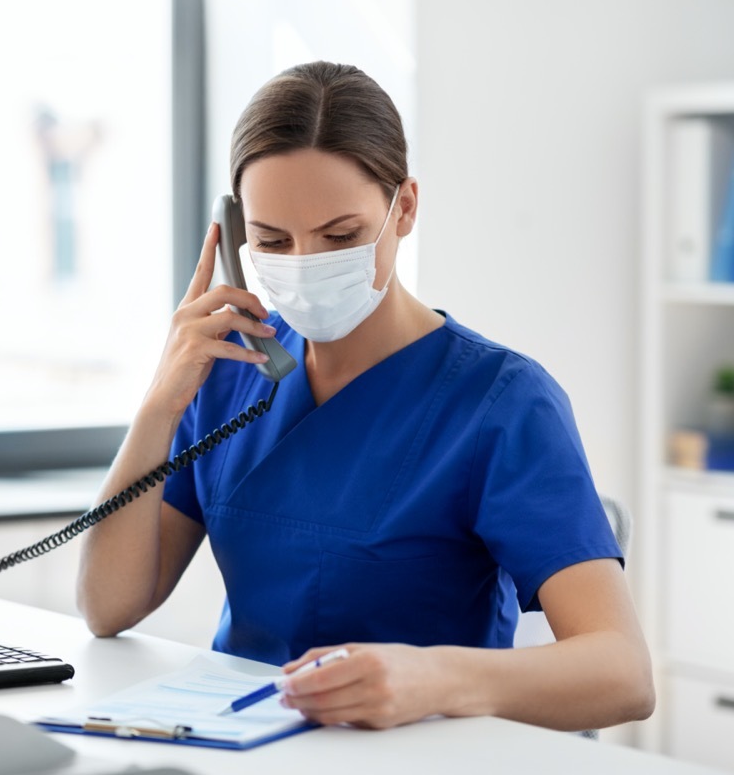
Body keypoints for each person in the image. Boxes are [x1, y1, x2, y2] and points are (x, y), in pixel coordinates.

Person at [76, 61, 654, 732]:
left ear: (403, 208)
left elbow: (623, 674)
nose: (306, 262)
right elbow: (106, 606)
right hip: (237, 742)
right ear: (235, 238)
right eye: (271, 241)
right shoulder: (232, 373)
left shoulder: (501, 403)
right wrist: (160, 401)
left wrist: (433, 677)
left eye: (341, 237)